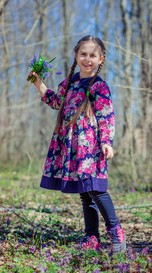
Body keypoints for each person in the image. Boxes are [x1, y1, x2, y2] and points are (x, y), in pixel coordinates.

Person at [28, 35, 126, 253]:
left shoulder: (98, 86)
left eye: (93, 55)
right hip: (72, 147)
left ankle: (115, 230)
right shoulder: (70, 83)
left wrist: (106, 143)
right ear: (76, 56)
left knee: (96, 190)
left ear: (101, 59)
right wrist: (38, 83)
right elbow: (55, 100)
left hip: (90, 148)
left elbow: (106, 116)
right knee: (85, 193)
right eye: (83, 54)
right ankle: (92, 236)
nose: (87, 59)